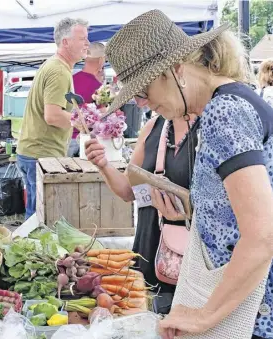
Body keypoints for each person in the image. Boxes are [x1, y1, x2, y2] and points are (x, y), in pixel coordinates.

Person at [103, 10, 273, 339]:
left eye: (143, 90)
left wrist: (203, 316)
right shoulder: (228, 103)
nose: (142, 103)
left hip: (255, 313)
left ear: (176, 70)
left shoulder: (225, 112)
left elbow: (262, 235)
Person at [85, 110, 199, 314]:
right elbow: (129, 191)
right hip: (149, 247)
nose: (141, 101)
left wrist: (187, 214)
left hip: (189, 260)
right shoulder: (154, 128)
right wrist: (103, 165)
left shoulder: (208, 128)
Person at [16, 17, 90, 219]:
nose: (87, 44)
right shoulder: (58, 71)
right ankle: (31, 250)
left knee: (38, 213)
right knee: (40, 217)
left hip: (35, 152)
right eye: (82, 38)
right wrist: (83, 123)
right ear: (66, 42)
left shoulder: (56, 66)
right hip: (41, 153)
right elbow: (52, 115)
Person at [68, 42, 106, 157]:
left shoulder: (71, 78)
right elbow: (103, 114)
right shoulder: (98, 86)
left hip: (67, 137)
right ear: (101, 60)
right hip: (85, 139)